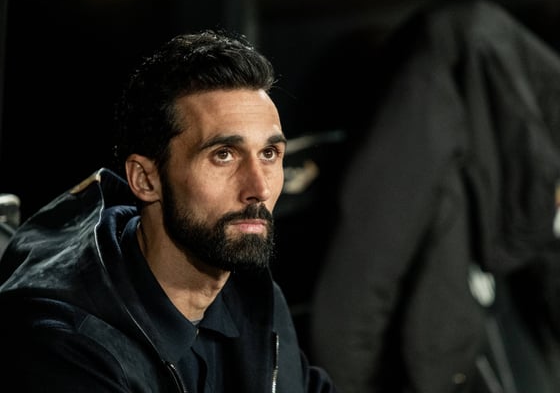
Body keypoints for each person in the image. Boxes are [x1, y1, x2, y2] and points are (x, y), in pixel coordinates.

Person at [0, 29, 338, 393]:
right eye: (223, 155)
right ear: (146, 179)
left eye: (269, 154)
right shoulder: (66, 346)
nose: (260, 188)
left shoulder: (252, 292)